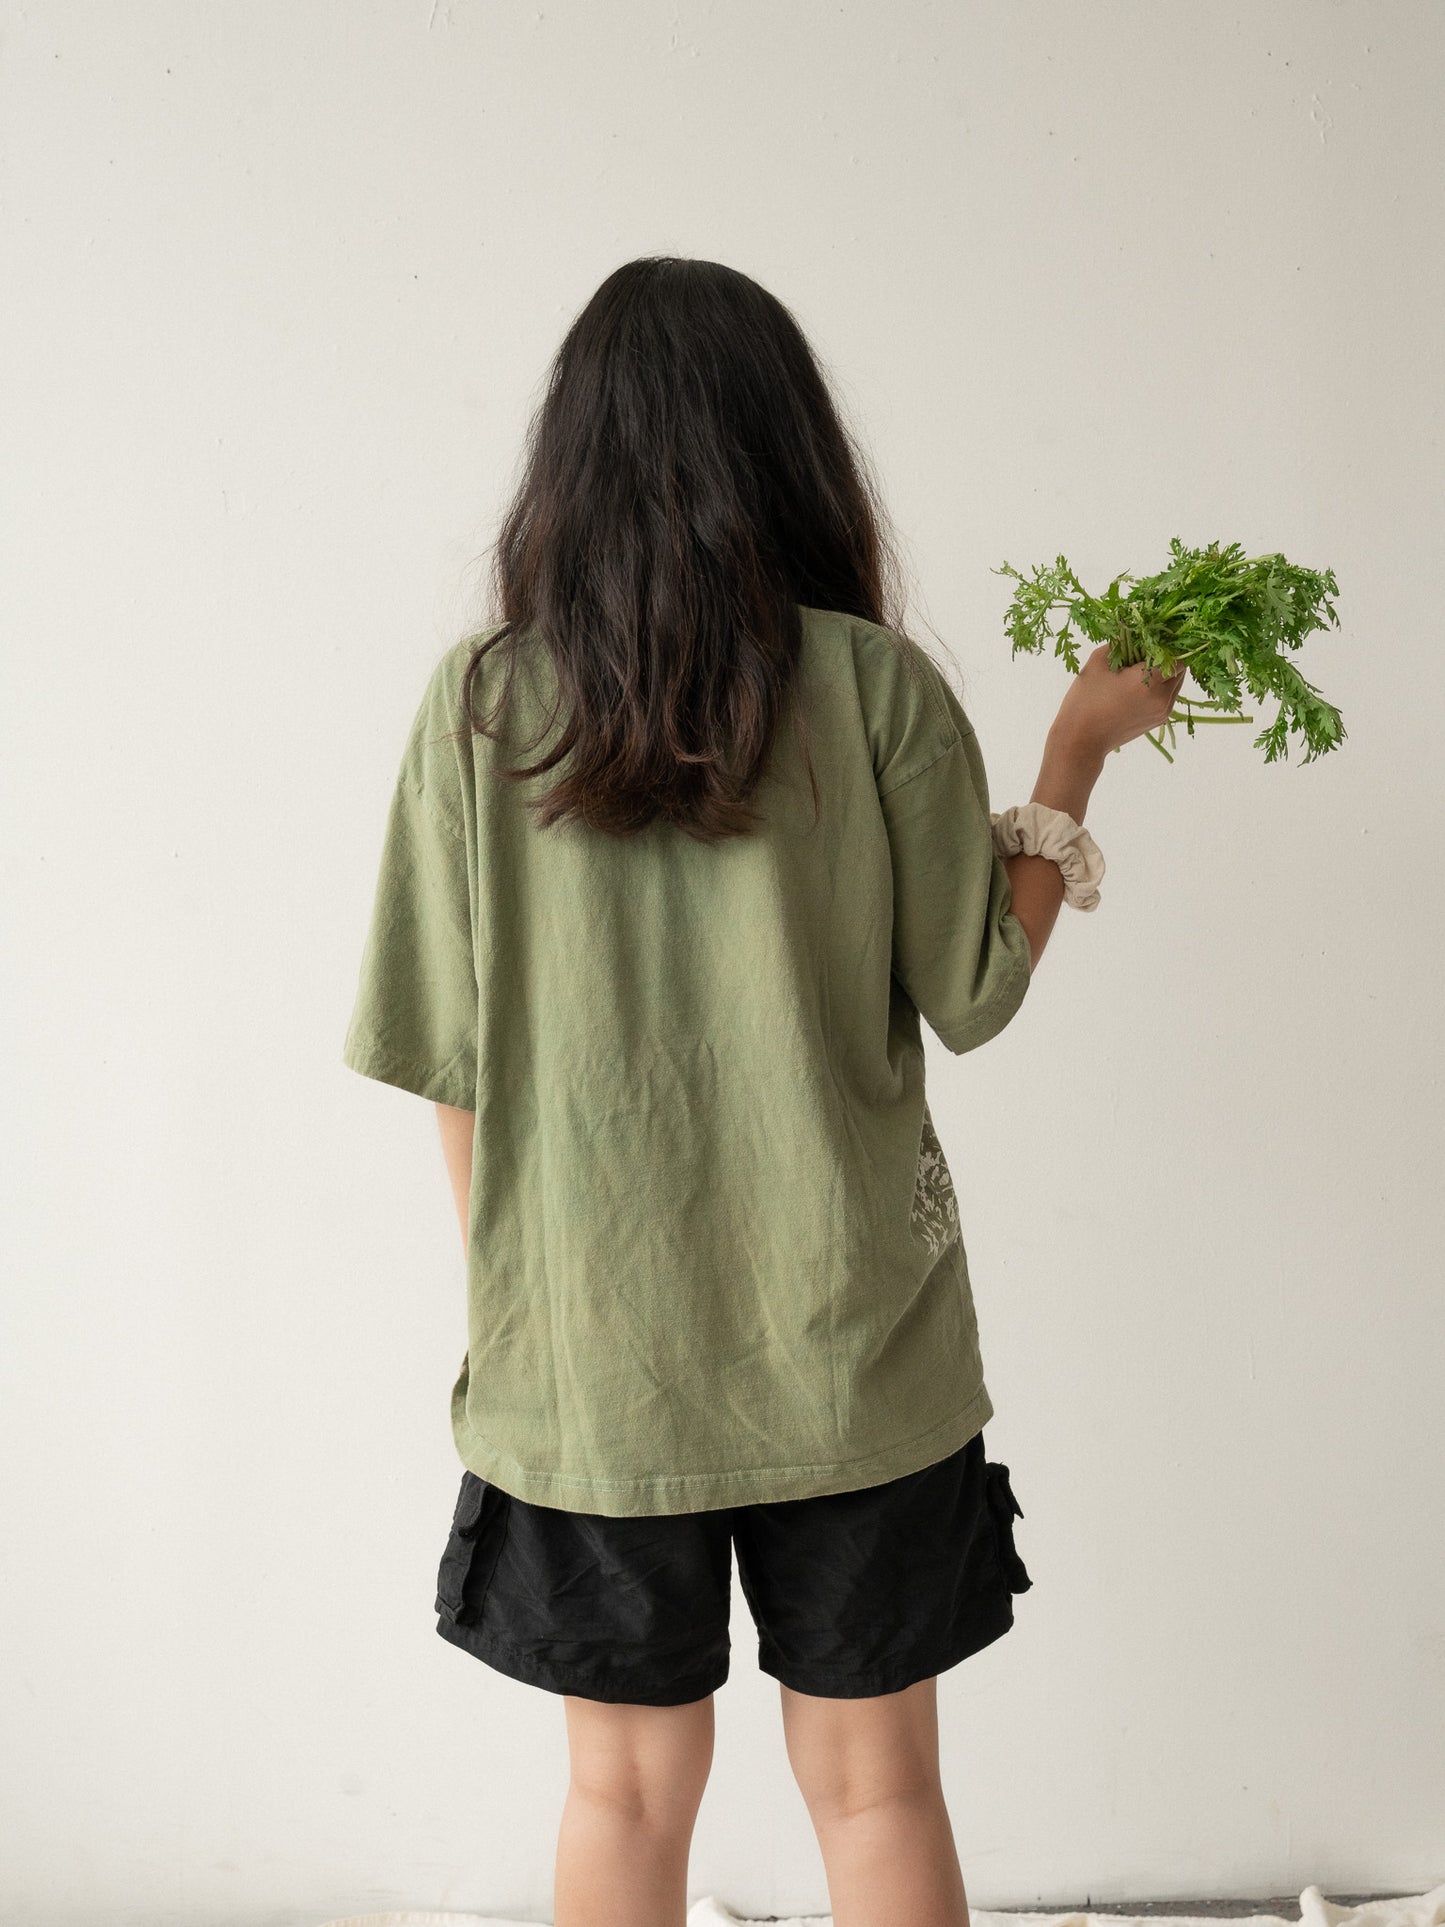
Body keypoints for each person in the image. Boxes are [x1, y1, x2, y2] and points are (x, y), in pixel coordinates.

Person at [342, 256, 1187, 1927]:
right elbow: (975, 991)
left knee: (618, 1796)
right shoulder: (871, 688)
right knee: (875, 1791)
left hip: (587, 1366)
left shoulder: (481, 708)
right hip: (851, 1349)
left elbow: (448, 1060)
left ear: (568, 463)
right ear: (789, 450)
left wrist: (530, 1305)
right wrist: (1074, 759)